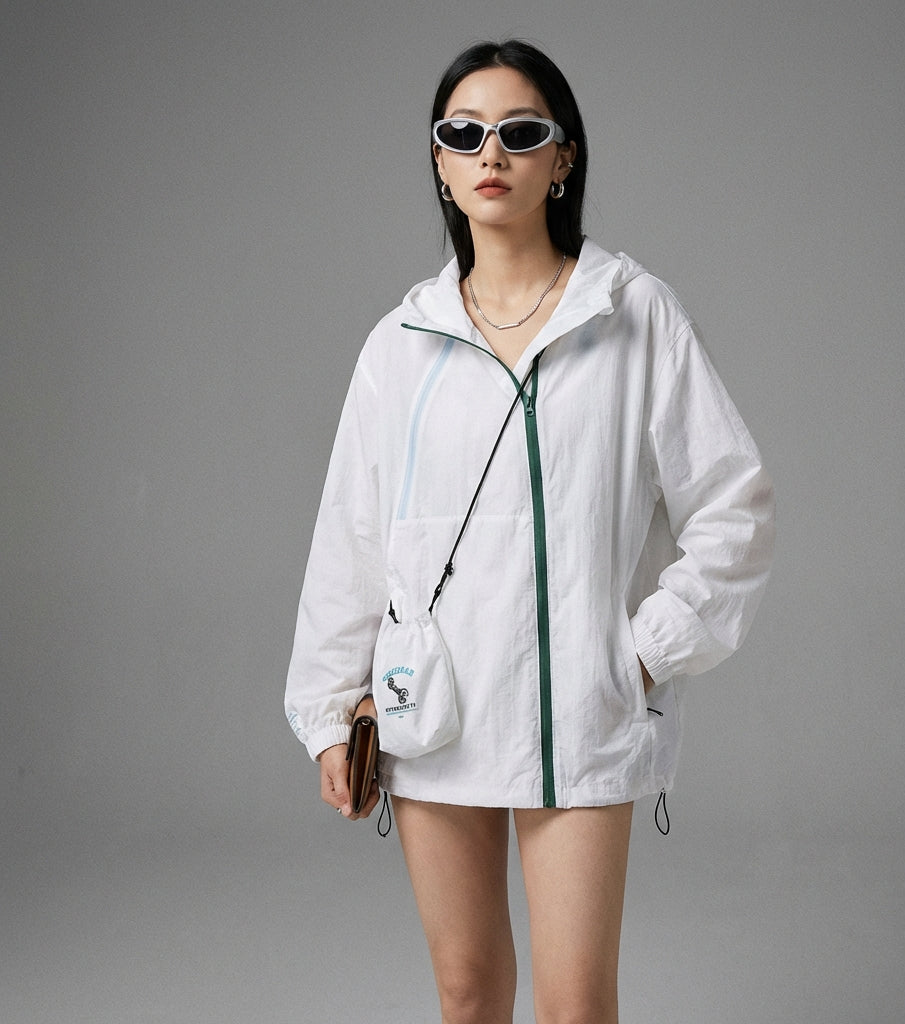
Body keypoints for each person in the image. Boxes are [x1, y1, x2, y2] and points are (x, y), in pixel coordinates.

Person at [285, 39, 774, 1024]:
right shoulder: (399, 344)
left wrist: (640, 655)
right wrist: (331, 710)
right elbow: (353, 536)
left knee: (576, 1007)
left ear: (563, 157)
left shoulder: (633, 315)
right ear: (440, 162)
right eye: (463, 134)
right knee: (466, 995)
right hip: (433, 710)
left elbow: (735, 506)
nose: (491, 153)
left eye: (519, 131)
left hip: (578, 717)